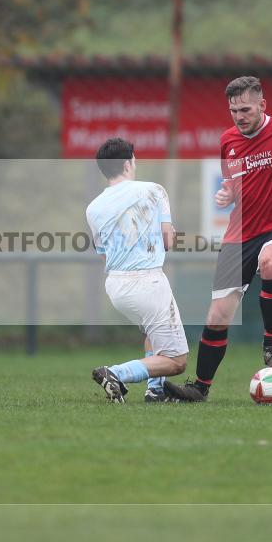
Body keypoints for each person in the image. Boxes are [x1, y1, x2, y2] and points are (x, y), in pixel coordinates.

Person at [166, 68, 272, 402]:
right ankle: (199, 388)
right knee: (217, 317)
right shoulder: (228, 141)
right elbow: (233, 183)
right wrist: (227, 194)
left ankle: (271, 348)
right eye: (234, 111)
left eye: (245, 110)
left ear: (262, 104)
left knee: (271, 262)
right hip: (238, 235)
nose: (239, 117)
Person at [86, 138, 188, 403]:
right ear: (130, 162)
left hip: (116, 286)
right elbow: (168, 241)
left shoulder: (93, 208)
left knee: (150, 335)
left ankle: (155, 390)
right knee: (177, 361)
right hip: (147, 282)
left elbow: (104, 250)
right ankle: (116, 373)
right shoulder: (153, 190)